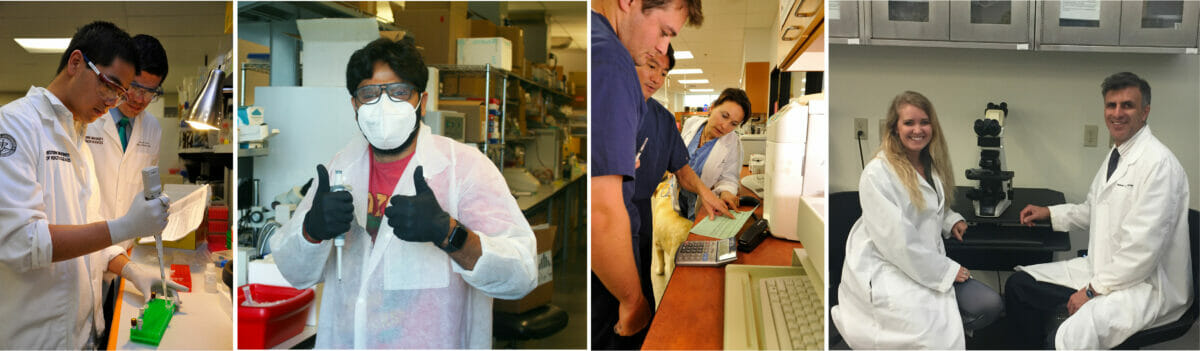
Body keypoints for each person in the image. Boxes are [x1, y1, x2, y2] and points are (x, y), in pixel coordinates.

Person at [269, 37, 538, 349]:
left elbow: (522, 275)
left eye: (399, 92)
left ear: (421, 101)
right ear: (355, 104)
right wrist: (311, 231)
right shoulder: (339, 168)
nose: (384, 105)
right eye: (369, 93)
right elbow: (293, 272)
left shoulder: (464, 169)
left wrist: (448, 233)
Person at [0, 21, 178, 349]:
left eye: (120, 93)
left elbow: (90, 234)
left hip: (84, 332)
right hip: (38, 339)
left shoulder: (79, 138)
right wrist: (124, 225)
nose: (113, 102)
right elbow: (22, 242)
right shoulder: (13, 126)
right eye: (110, 85)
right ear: (76, 63)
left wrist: (133, 272)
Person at [1007, 72, 1191, 350]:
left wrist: (1092, 291)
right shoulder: (1117, 154)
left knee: (1070, 337)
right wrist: (1050, 213)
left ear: (1145, 112)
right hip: (1105, 270)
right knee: (1019, 286)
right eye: (1111, 105)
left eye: (1127, 105)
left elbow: (1141, 252)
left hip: (1144, 286)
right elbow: (1092, 210)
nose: (1117, 113)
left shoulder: (1158, 165)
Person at [830, 91, 1003, 349]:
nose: (917, 130)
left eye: (924, 122)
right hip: (887, 266)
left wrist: (950, 219)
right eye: (909, 123)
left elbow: (927, 206)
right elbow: (897, 241)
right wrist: (946, 271)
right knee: (923, 332)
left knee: (982, 308)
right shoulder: (878, 173)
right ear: (894, 129)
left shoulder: (930, 164)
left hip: (922, 262)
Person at [590, 0, 702, 348]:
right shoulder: (612, 60)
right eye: (664, 31)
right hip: (609, 260)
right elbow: (602, 213)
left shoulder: (598, 45)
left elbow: (681, 168)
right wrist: (633, 301)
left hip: (623, 238)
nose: (662, 47)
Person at [630, 44, 732, 321]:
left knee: (641, 290)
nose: (656, 79)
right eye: (651, 67)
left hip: (640, 211)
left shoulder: (662, 119)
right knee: (613, 300)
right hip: (608, 212)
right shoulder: (608, 110)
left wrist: (708, 197)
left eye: (663, 73)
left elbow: (682, 169)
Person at [87, 34, 167, 231]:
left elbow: (146, 189)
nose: (140, 99)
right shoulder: (88, 117)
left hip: (128, 242)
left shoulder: (152, 128)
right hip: (89, 240)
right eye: (135, 87)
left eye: (150, 92)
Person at [668, 88, 750, 221]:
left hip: (704, 202)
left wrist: (726, 192)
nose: (724, 126)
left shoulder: (733, 142)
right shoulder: (691, 123)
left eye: (733, 124)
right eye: (724, 116)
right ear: (712, 108)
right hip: (680, 193)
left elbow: (729, 178)